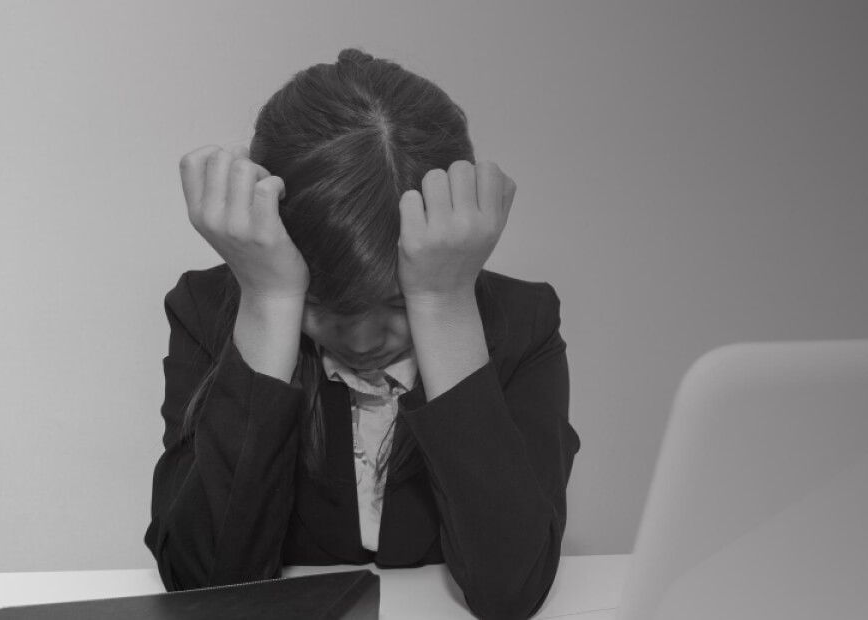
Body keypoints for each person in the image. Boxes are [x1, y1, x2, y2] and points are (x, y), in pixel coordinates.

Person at [143, 48, 581, 620]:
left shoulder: (520, 321)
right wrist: (270, 301)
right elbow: (206, 589)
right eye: (322, 302)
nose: (365, 337)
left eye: (397, 302)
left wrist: (444, 306)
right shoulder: (212, 309)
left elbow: (511, 591)